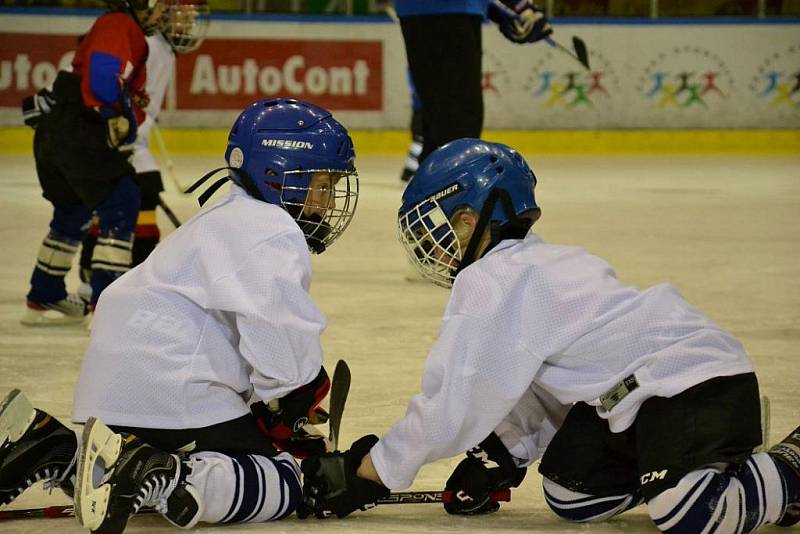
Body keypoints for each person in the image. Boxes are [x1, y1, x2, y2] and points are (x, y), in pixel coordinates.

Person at [299, 138, 800, 531]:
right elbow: (533, 381)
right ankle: (695, 459)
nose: (435, 243)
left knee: (689, 510)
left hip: (689, 377)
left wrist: (373, 471)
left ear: (474, 218)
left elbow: (455, 400)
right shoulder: (528, 269)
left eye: (444, 225)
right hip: (637, 400)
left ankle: (787, 467)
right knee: (574, 494)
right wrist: (501, 452)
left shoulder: (494, 280)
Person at [0, 98, 360, 532]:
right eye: (318, 184)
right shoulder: (271, 228)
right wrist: (299, 398)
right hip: (174, 392)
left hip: (117, 388)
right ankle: (171, 476)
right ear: (275, 173)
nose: (324, 202)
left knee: (122, 473)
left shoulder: (220, 218)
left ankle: (55, 449)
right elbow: (279, 338)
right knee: (289, 479)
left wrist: (272, 409)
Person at [20, 0, 166, 326]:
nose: (162, 15)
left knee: (74, 211)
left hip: (57, 131)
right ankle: (107, 307)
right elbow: (102, 75)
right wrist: (112, 116)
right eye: (159, 7)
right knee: (123, 200)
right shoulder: (120, 25)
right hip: (80, 129)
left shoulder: (112, 23)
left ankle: (44, 292)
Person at [78, 0, 211, 302]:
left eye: (192, 15)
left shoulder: (163, 47)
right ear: (162, 13)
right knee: (134, 205)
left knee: (118, 209)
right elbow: (111, 85)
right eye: (183, 14)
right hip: (120, 142)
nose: (190, 21)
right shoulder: (146, 43)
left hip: (131, 140)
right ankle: (123, 286)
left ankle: (93, 279)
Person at [395, 0, 552, 167]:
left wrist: (492, 7)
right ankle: (452, 189)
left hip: (445, 11)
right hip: (444, 10)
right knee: (458, 126)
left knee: (446, 123)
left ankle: (438, 187)